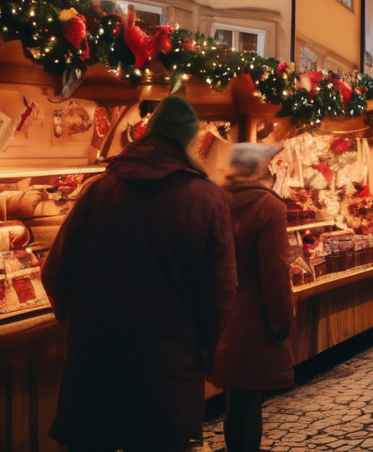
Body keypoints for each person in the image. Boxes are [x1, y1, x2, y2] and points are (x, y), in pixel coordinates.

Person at [42, 95, 237, 452]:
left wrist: (76, 326)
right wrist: (202, 351)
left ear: (148, 134)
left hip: (95, 359)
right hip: (165, 364)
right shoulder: (206, 197)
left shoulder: (100, 189)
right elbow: (221, 291)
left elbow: (55, 271)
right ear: (189, 141)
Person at [212, 143, 295, 452]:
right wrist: (282, 319)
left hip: (221, 312)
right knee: (249, 401)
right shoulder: (268, 207)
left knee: (237, 399)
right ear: (259, 169)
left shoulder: (216, 200)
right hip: (254, 316)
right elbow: (275, 272)